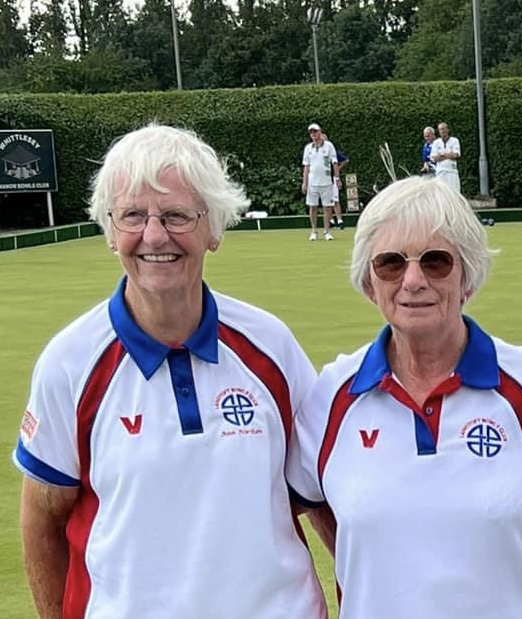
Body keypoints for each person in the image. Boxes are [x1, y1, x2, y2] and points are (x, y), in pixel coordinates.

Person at [13, 123, 327, 619]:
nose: (155, 235)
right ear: (111, 232)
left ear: (213, 229)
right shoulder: (69, 363)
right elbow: (42, 519)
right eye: (132, 216)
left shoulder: (271, 346)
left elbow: (323, 494)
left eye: (177, 215)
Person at [287, 176, 522, 618]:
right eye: (390, 263)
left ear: (467, 277)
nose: (413, 280)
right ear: (369, 282)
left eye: (436, 261)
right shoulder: (330, 397)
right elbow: (300, 503)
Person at [303, 122, 339, 240]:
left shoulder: (329, 146)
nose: (313, 134)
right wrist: (304, 182)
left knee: (327, 207)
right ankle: (313, 231)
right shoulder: (308, 148)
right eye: (311, 132)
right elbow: (306, 166)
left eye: (315, 131)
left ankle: (326, 232)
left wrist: (337, 179)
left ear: (320, 132)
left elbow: (334, 163)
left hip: (326, 182)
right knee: (313, 207)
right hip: (312, 183)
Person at [325, 132, 348, 229]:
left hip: (333, 178)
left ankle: (339, 221)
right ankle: (330, 221)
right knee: (326, 201)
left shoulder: (332, 151)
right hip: (323, 179)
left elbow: (345, 160)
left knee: (335, 199)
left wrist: (337, 169)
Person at [431, 122, 461, 193]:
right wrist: (449, 155)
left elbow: (456, 155)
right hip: (440, 172)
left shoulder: (455, 140)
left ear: (447, 130)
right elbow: (434, 158)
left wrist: (441, 155)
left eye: (444, 129)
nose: (443, 131)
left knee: (454, 193)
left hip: (452, 172)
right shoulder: (436, 142)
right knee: (441, 193)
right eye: (441, 129)